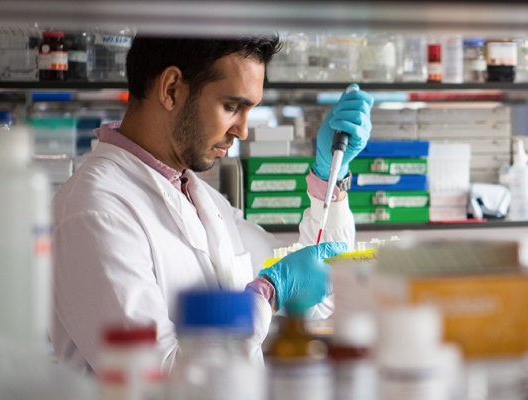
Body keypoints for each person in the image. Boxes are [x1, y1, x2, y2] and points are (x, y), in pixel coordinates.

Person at [50, 35, 374, 374]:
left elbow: (315, 292)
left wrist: (329, 176)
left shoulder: (201, 197)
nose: (243, 131)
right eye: (232, 107)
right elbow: (159, 380)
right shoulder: (93, 211)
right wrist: (267, 294)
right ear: (172, 88)